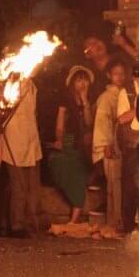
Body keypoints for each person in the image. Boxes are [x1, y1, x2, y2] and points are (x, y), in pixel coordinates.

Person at [0, 77, 43, 237]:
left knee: (31, 185)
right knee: (18, 186)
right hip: (14, 137)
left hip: (30, 137)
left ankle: (27, 222)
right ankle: (16, 226)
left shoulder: (31, 84)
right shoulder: (11, 85)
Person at [47, 66, 94, 225]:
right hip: (68, 138)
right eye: (79, 79)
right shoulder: (65, 99)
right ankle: (75, 213)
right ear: (73, 82)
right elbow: (60, 124)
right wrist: (60, 139)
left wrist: (85, 100)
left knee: (78, 175)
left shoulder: (90, 99)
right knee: (60, 163)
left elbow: (89, 123)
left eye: (85, 79)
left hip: (85, 142)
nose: (82, 83)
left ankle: (75, 217)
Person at [93, 59, 133, 234]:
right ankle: (114, 223)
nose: (120, 77)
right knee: (114, 187)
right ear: (109, 75)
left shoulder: (124, 94)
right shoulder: (106, 97)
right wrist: (105, 144)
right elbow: (103, 123)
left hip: (121, 144)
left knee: (119, 185)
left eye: (122, 73)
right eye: (116, 73)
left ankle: (117, 222)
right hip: (111, 145)